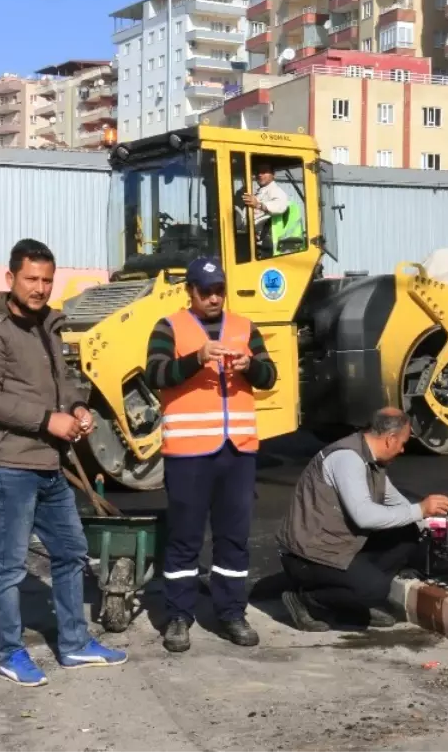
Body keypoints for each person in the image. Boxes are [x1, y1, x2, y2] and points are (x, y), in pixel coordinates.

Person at [0, 238, 127, 686]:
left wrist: (76, 409)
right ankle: (9, 651)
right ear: (11, 279)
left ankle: (74, 644)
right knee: (10, 566)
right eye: (31, 279)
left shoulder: (49, 326)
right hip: (9, 464)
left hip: (50, 465)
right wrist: (46, 420)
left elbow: (66, 385)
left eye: (46, 280)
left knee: (72, 553)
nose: (39, 288)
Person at [144, 255, 277, 653]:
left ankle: (231, 611)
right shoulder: (169, 326)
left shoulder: (244, 327)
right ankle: (179, 616)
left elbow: (270, 377)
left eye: (220, 289)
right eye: (206, 291)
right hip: (188, 452)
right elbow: (154, 374)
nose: (214, 297)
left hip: (237, 451)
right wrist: (196, 359)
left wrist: (251, 365)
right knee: (184, 539)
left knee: (233, 538)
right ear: (191, 292)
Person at [276, 408, 448, 632]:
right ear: (390, 439)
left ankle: (352, 596)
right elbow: (364, 516)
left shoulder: (372, 460)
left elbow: (395, 502)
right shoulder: (347, 459)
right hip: (308, 553)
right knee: (375, 588)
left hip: (337, 544)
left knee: (407, 534)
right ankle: (306, 598)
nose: (402, 449)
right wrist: (420, 509)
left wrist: (437, 523)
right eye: (402, 442)